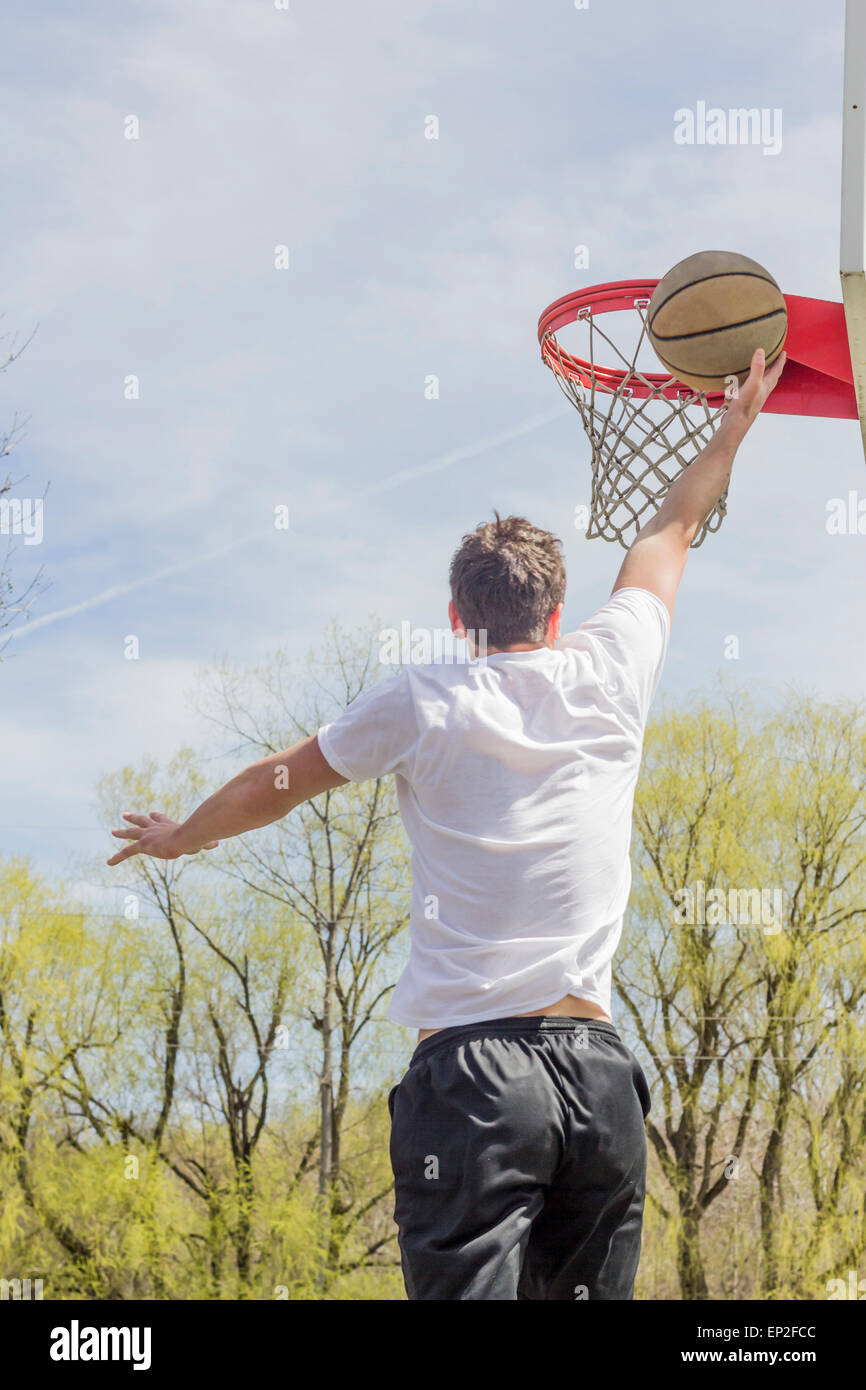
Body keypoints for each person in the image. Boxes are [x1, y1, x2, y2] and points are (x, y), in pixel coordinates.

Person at [108, 347, 785, 1300]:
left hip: (475, 1080)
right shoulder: (612, 667)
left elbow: (278, 780)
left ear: (458, 615)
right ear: (555, 616)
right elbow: (672, 528)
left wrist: (182, 836)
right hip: (598, 1081)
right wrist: (734, 424)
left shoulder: (423, 699)